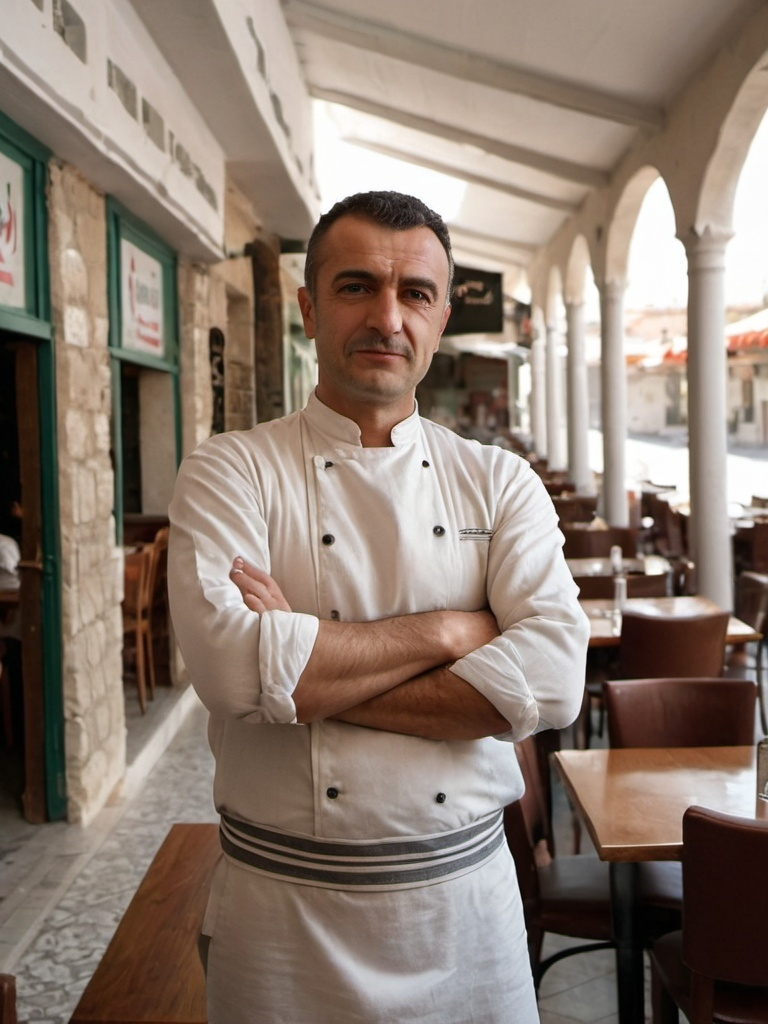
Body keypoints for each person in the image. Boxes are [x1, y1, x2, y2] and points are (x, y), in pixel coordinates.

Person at [168, 191, 589, 1024]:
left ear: (439, 320)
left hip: (464, 915)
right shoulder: (230, 472)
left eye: (416, 294)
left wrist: (303, 666)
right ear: (308, 308)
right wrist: (452, 632)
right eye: (357, 286)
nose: (387, 318)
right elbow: (227, 670)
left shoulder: (499, 481)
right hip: (282, 916)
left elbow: (553, 682)